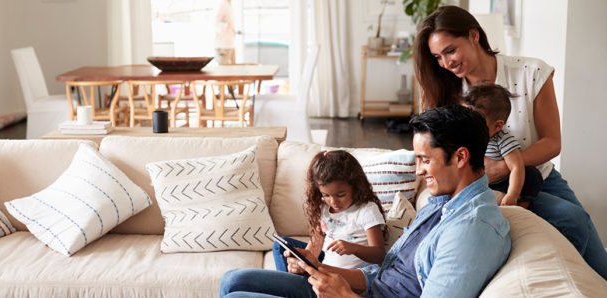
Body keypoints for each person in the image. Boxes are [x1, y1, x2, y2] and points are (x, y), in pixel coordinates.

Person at [219, 105, 511, 298]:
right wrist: (323, 269)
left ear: (461, 157)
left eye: (424, 160)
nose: (419, 170)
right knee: (233, 280)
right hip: (364, 289)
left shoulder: (472, 230)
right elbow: (383, 275)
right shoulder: (442, 203)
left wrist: (343, 295)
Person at [413, 5, 607, 278]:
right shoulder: (446, 90)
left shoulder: (531, 72)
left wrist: (506, 166)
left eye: (450, 50)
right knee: (570, 219)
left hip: (537, 173)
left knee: (578, 221)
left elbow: (552, 142)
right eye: (438, 57)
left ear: (474, 35)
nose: (446, 63)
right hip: (477, 183)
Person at [272, 150, 387, 273]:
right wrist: (302, 264)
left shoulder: (366, 210)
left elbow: (379, 254)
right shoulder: (324, 208)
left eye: (341, 195)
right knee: (281, 247)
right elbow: (315, 247)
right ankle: (292, 281)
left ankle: (291, 285)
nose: (333, 201)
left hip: (347, 278)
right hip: (324, 270)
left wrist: (353, 248)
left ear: (356, 186)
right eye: (326, 195)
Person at [462, 84, 543, 208]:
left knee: (531, 174)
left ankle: (521, 205)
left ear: (498, 126)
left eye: (476, 122)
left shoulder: (503, 140)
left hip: (503, 183)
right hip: (478, 183)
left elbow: (516, 167)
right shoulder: (464, 136)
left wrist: (512, 194)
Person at [215, 0, 236, 65]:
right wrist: (228, 27)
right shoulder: (221, 4)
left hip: (230, 44)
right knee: (224, 70)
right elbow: (216, 23)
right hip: (223, 45)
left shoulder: (229, 4)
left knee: (232, 69)